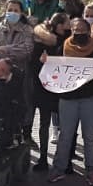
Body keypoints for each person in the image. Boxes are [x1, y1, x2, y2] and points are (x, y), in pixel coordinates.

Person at [48, 16, 93, 186]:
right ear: (71, 30)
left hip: (91, 99)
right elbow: (55, 67)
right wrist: (47, 61)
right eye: (75, 30)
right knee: (65, 135)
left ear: (89, 31)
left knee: (90, 136)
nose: (79, 33)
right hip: (68, 99)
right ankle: (59, 169)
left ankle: (91, 170)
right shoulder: (63, 47)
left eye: (82, 30)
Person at [30, 12, 69, 172]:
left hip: (64, 88)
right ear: (59, 25)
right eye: (66, 23)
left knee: (67, 126)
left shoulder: (70, 41)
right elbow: (33, 65)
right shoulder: (42, 42)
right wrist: (41, 62)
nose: (69, 26)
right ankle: (43, 158)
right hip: (45, 89)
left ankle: (66, 161)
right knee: (44, 124)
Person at [0, 0, 35, 73]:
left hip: (18, 72)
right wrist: (1, 62)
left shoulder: (27, 30)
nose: (13, 12)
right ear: (5, 12)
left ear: (21, 13)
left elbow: (27, 49)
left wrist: (7, 49)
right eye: (10, 10)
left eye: (16, 10)